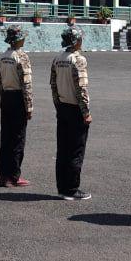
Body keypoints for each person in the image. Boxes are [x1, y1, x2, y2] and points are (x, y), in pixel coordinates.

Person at [51, 27, 92, 201]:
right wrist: (86, 112)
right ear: (76, 41)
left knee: (63, 149)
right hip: (75, 108)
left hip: (63, 106)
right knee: (76, 150)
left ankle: (62, 187)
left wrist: (58, 105)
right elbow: (81, 88)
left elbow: (53, 85)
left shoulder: (58, 58)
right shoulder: (78, 60)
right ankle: (72, 189)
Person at [0, 25, 33, 188]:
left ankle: (4, 175)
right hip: (18, 98)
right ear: (19, 39)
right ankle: (14, 176)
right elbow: (26, 84)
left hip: (6, 97)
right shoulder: (21, 56)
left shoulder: (3, 56)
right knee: (18, 139)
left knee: (6, 138)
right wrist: (29, 106)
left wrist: (3, 97)